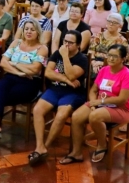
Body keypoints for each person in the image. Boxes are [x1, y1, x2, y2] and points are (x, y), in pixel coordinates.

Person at [61, 44, 129, 164]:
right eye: (109, 55)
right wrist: (93, 104)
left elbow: (122, 99)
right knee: (76, 117)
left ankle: (102, 144)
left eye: (115, 56)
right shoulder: (104, 70)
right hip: (100, 103)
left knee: (94, 116)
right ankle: (76, 152)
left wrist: (99, 102)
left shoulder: (128, 75)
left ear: (123, 59)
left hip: (121, 108)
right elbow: (93, 90)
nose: (111, 58)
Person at [0, 19, 48, 153]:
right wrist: (20, 71)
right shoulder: (16, 42)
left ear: (38, 32)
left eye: (32, 29)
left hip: (30, 83)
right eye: (26, 29)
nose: (28, 32)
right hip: (12, 77)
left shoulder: (42, 48)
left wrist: (14, 63)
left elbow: (35, 69)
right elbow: (2, 63)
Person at [29, 30, 89, 166]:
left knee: (61, 116)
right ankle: (39, 146)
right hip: (55, 89)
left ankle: (46, 147)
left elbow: (73, 75)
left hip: (73, 93)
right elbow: (48, 73)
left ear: (78, 45)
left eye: (70, 43)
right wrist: (66, 80)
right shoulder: (57, 54)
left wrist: (65, 57)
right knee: (37, 110)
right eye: (64, 41)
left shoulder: (82, 59)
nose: (66, 45)